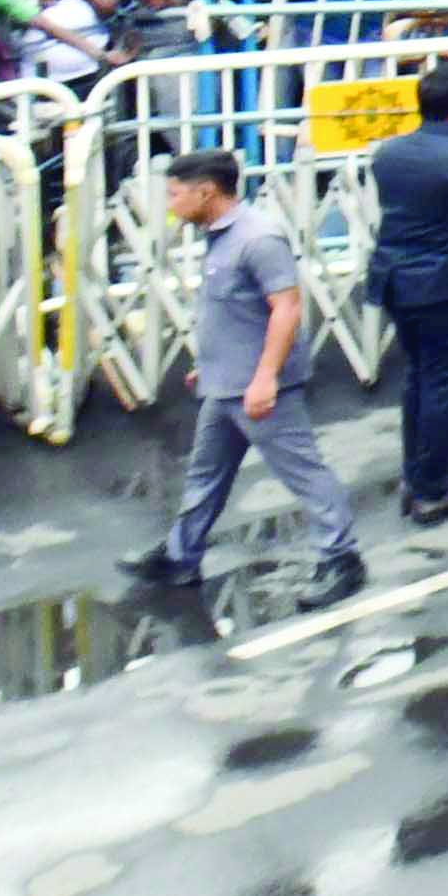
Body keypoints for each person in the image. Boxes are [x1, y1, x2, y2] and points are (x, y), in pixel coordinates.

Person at [139, 147, 366, 596]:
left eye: (175, 194)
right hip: (224, 384)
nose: (170, 204)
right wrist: (205, 365)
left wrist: (265, 378)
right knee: (205, 475)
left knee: (303, 472)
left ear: (206, 192)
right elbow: (230, 312)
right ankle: (180, 557)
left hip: (259, 389)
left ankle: (341, 558)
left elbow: (286, 309)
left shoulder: (258, 238)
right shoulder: (219, 235)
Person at [359, 56, 448, 525]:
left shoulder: (388, 154)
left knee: (417, 379)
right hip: (447, 283)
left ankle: (414, 476)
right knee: (443, 386)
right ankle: (432, 489)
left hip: (396, 279)